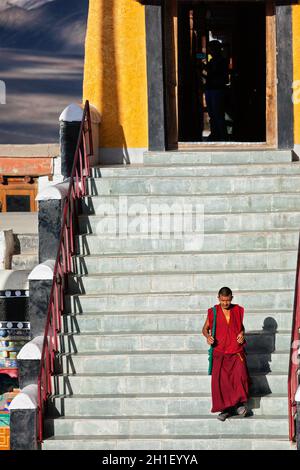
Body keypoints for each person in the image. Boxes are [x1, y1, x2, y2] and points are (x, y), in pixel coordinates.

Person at [202, 286, 250, 421]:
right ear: (218, 298)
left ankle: (239, 405)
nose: (225, 303)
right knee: (221, 382)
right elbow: (205, 329)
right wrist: (207, 336)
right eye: (223, 300)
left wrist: (242, 333)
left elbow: (241, 327)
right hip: (220, 351)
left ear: (231, 298)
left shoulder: (237, 310)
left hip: (236, 351)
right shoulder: (213, 312)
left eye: (227, 300)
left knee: (240, 376)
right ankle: (225, 409)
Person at [203, 40, 229, 141]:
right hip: (210, 89)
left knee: (218, 114)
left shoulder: (222, 61)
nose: (210, 51)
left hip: (217, 90)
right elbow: (209, 75)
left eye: (211, 49)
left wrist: (207, 70)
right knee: (212, 115)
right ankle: (215, 134)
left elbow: (219, 75)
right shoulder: (211, 61)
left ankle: (223, 136)